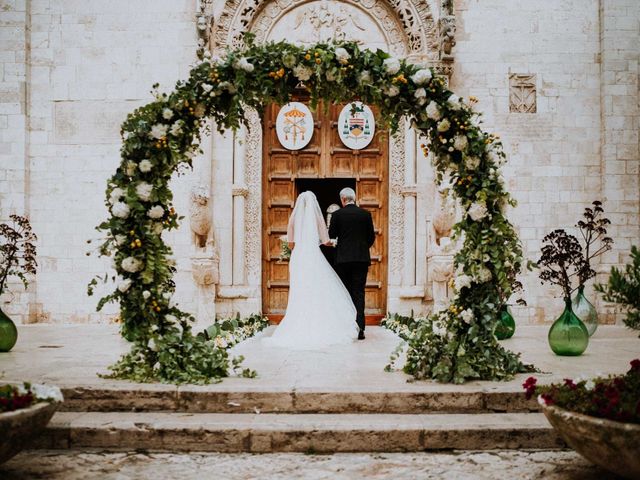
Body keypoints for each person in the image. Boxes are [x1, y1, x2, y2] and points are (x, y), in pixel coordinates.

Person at [263, 191, 359, 349]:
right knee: (317, 289)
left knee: (300, 290)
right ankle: (318, 323)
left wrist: (296, 247)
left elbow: (291, 243)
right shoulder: (317, 217)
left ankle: (298, 322)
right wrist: (333, 244)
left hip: (299, 258)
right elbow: (326, 240)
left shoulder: (293, 218)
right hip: (314, 256)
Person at [328, 187, 375, 340]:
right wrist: (361, 249)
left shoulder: (337, 215)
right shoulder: (365, 215)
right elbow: (371, 238)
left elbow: (332, 235)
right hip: (361, 260)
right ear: (354, 198)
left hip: (343, 260)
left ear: (342, 200)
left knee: (345, 292)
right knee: (359, 292)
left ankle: (347, 326)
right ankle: (360, 328)